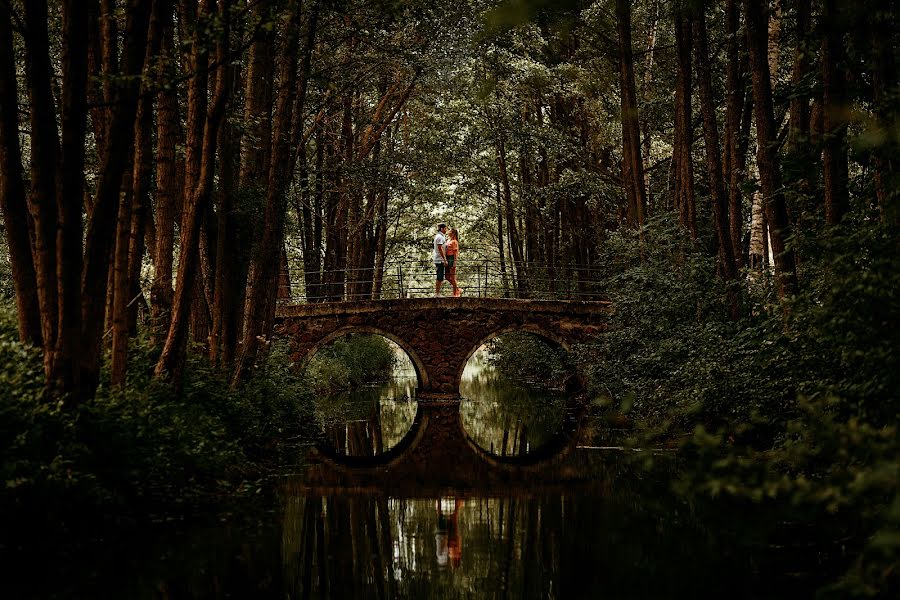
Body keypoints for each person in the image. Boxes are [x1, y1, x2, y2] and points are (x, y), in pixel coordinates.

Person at [433, 223, 448, 296]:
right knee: (439, 277)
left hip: (440, 259)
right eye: (445, 228)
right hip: (439, 260)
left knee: (441, 276)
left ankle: (438, 293)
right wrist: (445, 259)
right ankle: (437, 293)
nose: (446, 230)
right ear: (442, 229)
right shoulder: (439, 237)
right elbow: (440, 248)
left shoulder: (441, 236)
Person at [446, 228, 460, 297]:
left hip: (451, 258)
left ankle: (455, 294)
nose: (448, 232)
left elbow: (455, 253)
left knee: (453, 277)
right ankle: (457, 289)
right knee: (447, 277)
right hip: (447, 258)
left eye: (450, 231)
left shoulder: (454, 241)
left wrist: (454, 262)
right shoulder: (448, 240)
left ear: (453, 233)